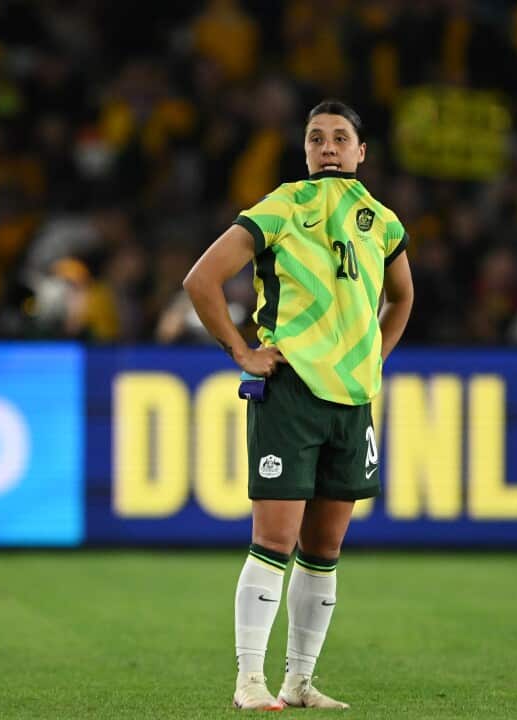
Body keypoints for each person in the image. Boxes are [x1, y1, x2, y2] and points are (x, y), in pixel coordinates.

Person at [183, 100, 413, 710]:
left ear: (362, 152)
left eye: (341, 138)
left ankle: (299, 682)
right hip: (290, 394)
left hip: (351, 400)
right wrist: (241, 350)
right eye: (317, 138)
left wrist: (374, 357)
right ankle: (250, 680)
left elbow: (403, 297)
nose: (329, 147)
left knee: (325, 549)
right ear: (305, 152)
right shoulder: (283, 206)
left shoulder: (383, 222)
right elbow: (201, 279)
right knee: (275, 538)